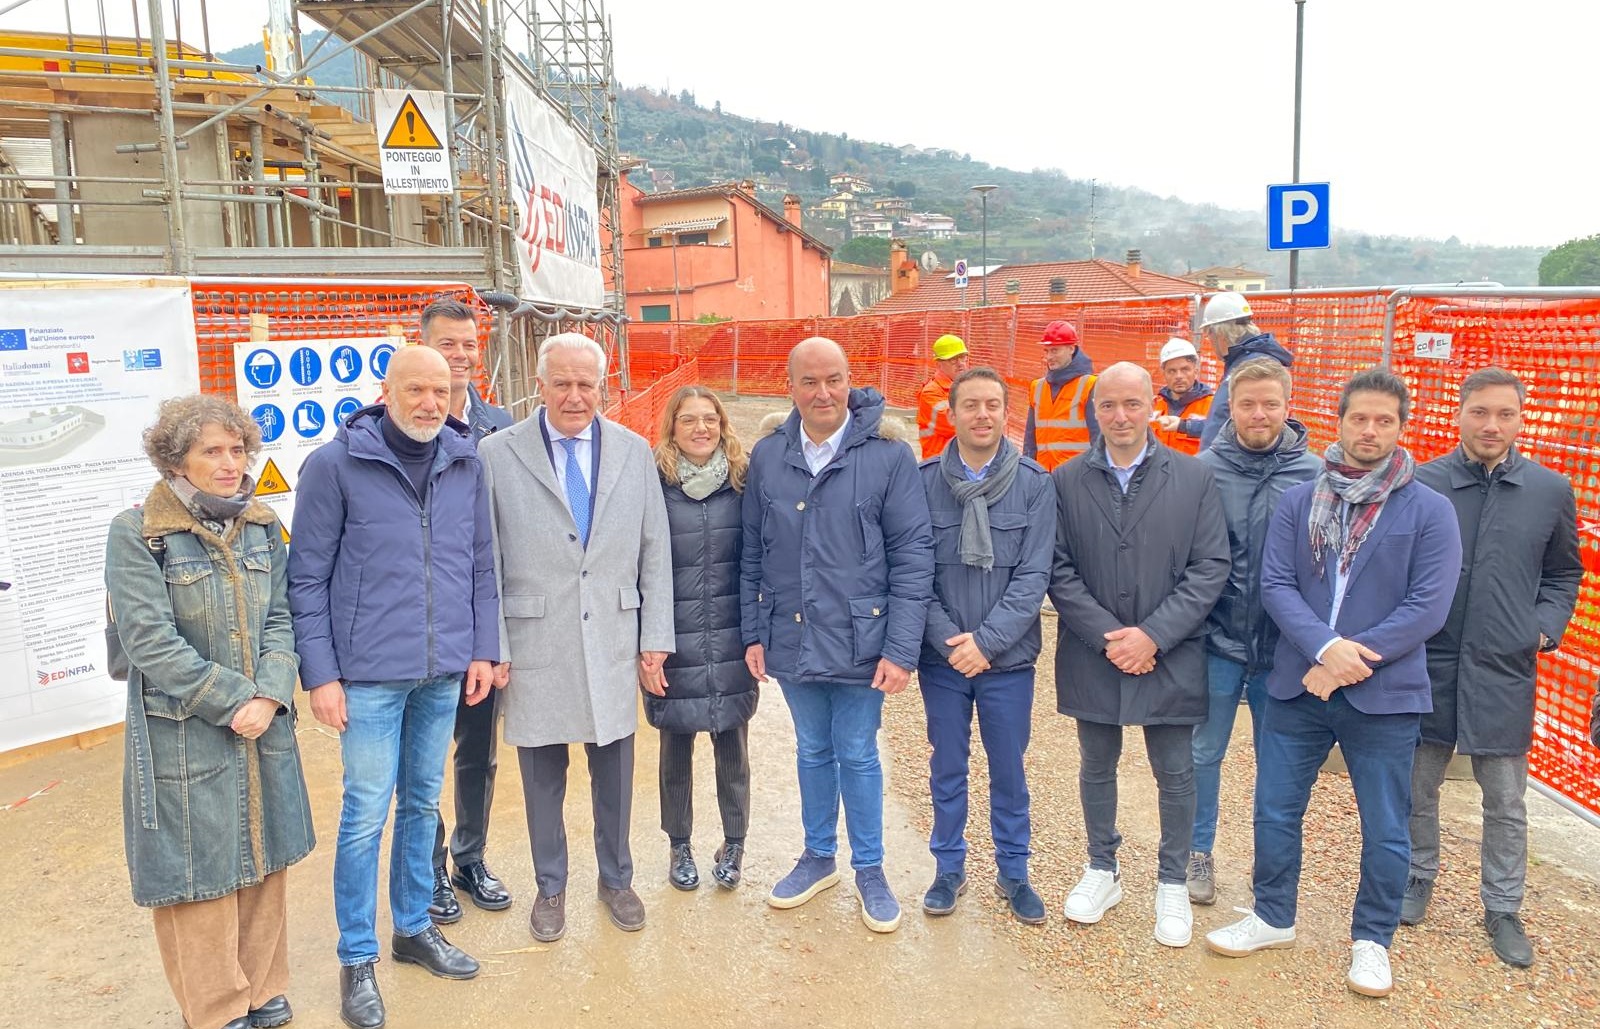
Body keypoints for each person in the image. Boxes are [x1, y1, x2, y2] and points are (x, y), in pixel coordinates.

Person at [1205, 368, 1462, 1000]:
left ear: (1401, 427)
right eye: (1359, 418)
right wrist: (1323, 647)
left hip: (1385, 694)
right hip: (1301, 685)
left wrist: (1349, 658)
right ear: (1340, 422)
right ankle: (1272, 915)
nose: (1369, 430)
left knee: (1386, 823)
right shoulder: (1300, 502)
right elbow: (1277, 586)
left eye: (1384, 421)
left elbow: (1428, 606)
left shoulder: (1430, 510)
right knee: (1275, 808)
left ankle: (1372, 940)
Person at [289, 345, 499, 1029]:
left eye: (440, 390)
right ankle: (357, 956)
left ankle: (412, 928)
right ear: (386, 391)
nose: (430, 403)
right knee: (364, 814)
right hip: (369, 676)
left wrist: (483, 648)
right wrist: (321, 673)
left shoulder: (465, 461)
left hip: (442, 671)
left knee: (421, 804)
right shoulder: (334, 465)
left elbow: (480, 564)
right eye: (415, 390)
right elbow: (306, 577)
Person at [106, 394, 314, 1029]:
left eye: (237, 449)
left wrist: (271, 692)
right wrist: (234, 699)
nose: (230, 463)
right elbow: (149, 641)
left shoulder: (261, 524)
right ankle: (218, 1006)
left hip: (262, 720)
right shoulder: (139, 532)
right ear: (176, 460)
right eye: (212, 451)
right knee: (198, 868)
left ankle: (262, 985)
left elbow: (281, 616)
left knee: (265, 853)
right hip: (184, 730)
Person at [477, 332, 674, 943]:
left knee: (615, 768)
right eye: (561, 383)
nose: (574, 396)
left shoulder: (633, 451)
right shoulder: (497, 453)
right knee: (542, 776)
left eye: (586, 384)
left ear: (602, 387)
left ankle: (617, 879)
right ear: (539, 385)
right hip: (535, 639)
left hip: (613, 634)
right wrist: (494, 646)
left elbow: (654, 548)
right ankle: (550, 886)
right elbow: (487, 558)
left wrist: (654, 637)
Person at [742, 336, 934, 934]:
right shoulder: (769, 456)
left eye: (834, 380)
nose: (823, 393)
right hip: (791, 633)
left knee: (857, 751)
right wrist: (754, 632)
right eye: (809, 382)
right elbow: (752, 553)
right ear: (791, 387)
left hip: (861, 639)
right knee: (811, 749)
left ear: (850, 382)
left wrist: (900, 649)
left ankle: (870, 868)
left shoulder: (888, 456)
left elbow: (913, 555)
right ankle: (818, 856)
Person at [1046, 361, 1229, 949]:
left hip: (1170, 650)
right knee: (1096, 762)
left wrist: (1152, 635)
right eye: (1108, 405)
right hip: (1093, 650)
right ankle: (1102, 867)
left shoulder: (1194, 477)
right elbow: (1058, 569)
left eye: (1132, 403)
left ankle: (1172, 880)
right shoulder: (1066, 480)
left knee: (1175, 770)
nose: (1120, 416)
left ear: (1152, 406)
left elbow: (1210, 566)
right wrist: (1110, 636)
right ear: (1094, 410)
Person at [1403, 367, 1581, 968]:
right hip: (1429, 664)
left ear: (1520, 418)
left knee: (1505, 801)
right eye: (1480, 412)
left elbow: (1563, 572)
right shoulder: (1424, 484)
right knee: (1416, 787)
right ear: (1459, 414)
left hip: (1504, 669)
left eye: (1505, 413)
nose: (1491, 425)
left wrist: (1542, 628)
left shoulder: (1549, 490)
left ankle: (1503, 907)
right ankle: (1416, 876)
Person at [917, 367, 1056, 924]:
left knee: (1009, 770)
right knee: (947, 766)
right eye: (970, 405)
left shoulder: (1035, 484)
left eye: (992, 405)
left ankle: (1014, 871)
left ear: (1005, 412)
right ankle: (948, 868)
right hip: (944, 660)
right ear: (951, 414)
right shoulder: (923, 482)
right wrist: (950, 642)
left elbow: (1034, 576)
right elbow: (913, 572)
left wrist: (989, 643)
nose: (982, 415)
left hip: (1009, 663)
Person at [1187, 358, 1319, 905]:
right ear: (1231, 409)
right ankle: (1197, 852)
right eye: (1247, 404)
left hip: (1285, 648)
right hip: (1218, 640)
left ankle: (1272, 864)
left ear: (1288, 406)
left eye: (1270, 403)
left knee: (1279, 762)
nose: (1259, 414)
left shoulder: (1315, 475)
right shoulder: (1204, 471)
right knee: (1203, 752)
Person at [419, 298, 516, 926]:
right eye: (446, 344)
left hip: (481, 620)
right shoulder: (402, 422)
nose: (459, 356)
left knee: (477, 749)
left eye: (467, 345)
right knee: (423, 755)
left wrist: (502, 635)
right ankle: (428, 867)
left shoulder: (500, 428)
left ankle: (469, 857)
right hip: (420, 623)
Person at [649, 385, 758, 891]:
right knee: (676, 746)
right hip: (673, 638)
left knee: (732, 745)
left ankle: (734, 844)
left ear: (722, 424)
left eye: (710, 418)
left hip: (732, 634)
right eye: (689, 419)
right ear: (672, 427)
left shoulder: (742, 481)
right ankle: (680, 845)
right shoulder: (655, 484)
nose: (701, 428)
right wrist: (646, 642)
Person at [1196, 292, 1294, 451]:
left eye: (1209, 335)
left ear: (1220, 334)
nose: (1211, 342)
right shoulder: (1243, 361)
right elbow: (1225, 420)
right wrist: (1186, 425)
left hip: (1230, 462)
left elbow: (1248, 422)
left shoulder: (1251, 367)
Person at [1022, 319, 1100, 472]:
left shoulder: (1089, 385)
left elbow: (1098, 438)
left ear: (1071, 348)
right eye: (1046, 351)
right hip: (1043, 475)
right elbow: (1030, 440)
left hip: (1076, 476)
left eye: (1055, 350)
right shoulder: (1037, 387)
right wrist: (1028, 472)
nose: (1049, 357)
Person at [1151, 338, 1213, 455]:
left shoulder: (1212, 407)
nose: (1178, 376)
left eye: (1185, 369)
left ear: (1196, 371)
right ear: (1164, 373)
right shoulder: (1154, 406)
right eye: (1172, 371)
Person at [916, 333, 969, 459]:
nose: (960, 363)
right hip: (938, 462)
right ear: (938, 364)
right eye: (953, 360)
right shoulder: (931, 393)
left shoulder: (967, 387)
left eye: (962, 357)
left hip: (961, 460)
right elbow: (957, 425)